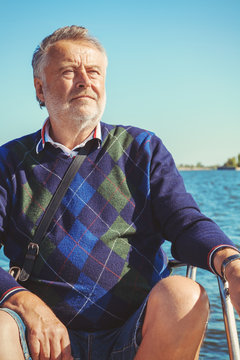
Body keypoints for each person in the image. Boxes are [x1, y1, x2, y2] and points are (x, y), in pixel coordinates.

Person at [0, 25, 239, 360]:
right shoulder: (8, 161)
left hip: (133, 333)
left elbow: (185, 222)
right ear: (40, 89)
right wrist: (22, 301)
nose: (85, 80)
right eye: (69, 71)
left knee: (186, 294)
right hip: (43, 340)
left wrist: (230, 262)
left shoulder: (143, 149)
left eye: (94, 71)